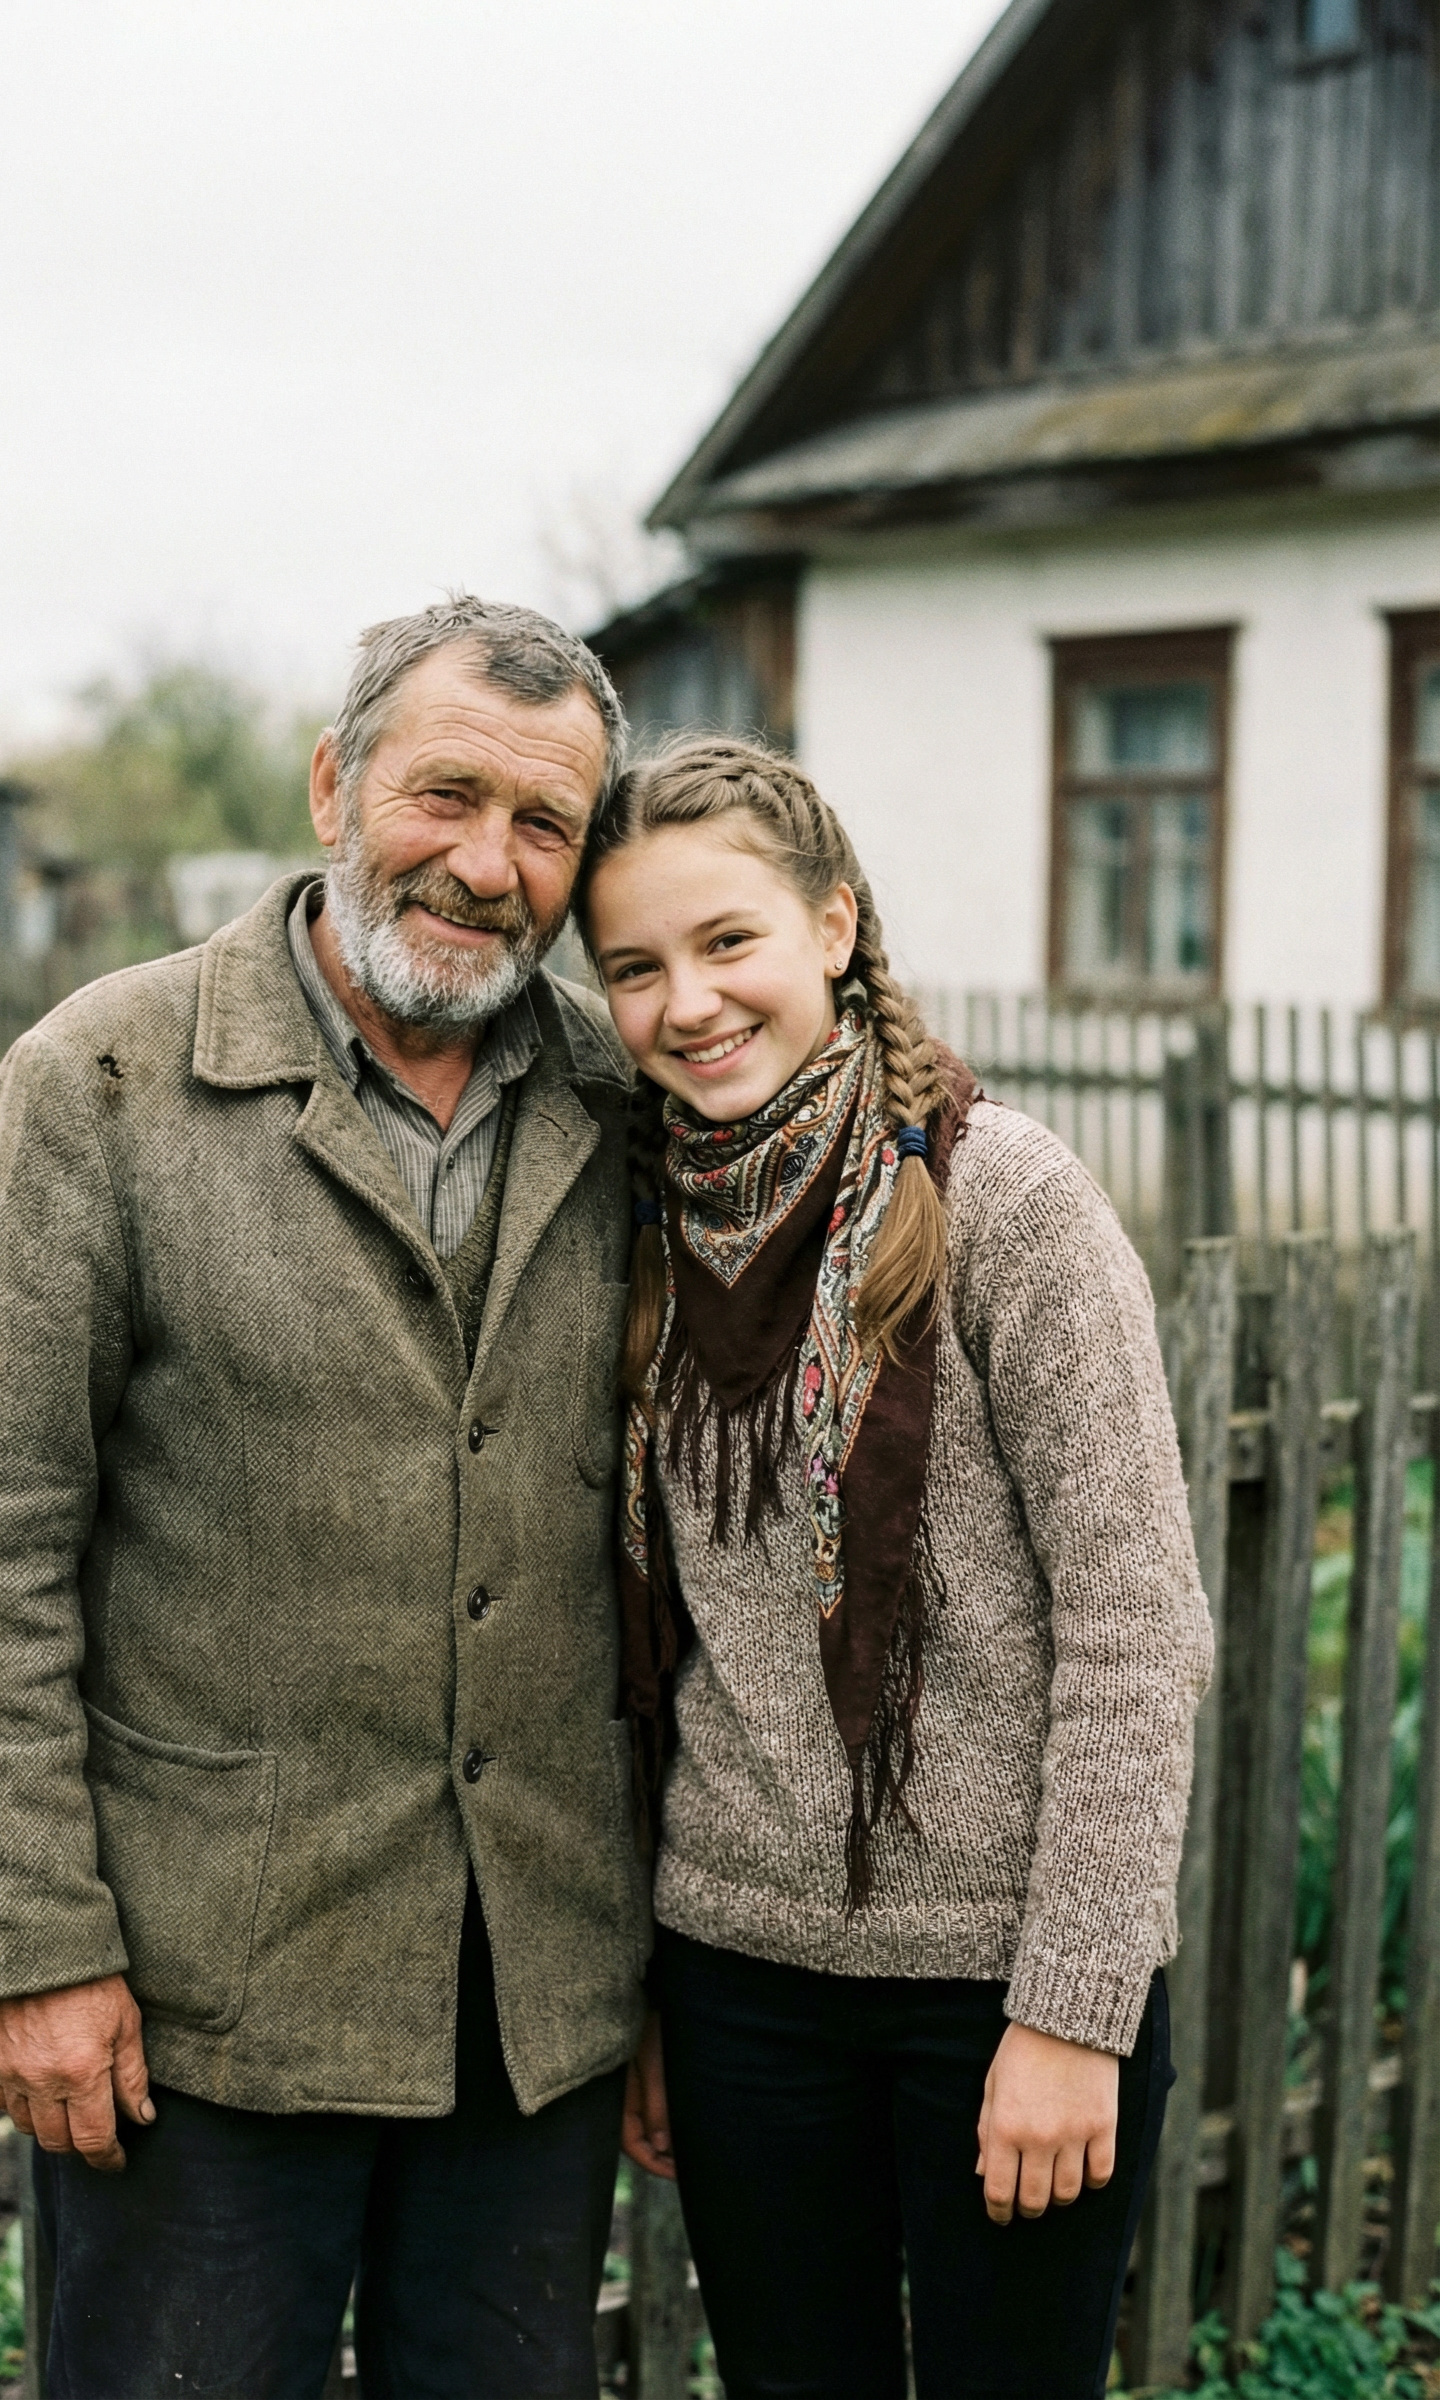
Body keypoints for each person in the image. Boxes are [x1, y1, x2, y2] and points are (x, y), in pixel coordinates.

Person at [0, 596, 651, 2400]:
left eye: (544, 825)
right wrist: (34, 1954)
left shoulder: (621, 1104)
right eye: (444, 794)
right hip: (200, 2001)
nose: (486, 864)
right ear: (334, 782)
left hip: (523, 2003)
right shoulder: (103, 1083)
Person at [578, 736, 1212, 2400]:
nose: (688, 1004)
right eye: (633, 968)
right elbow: (655, 1657)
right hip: (739, 1982)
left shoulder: (1006, 1201)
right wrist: (659, 1990)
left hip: (997, 1983)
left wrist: (1075, 2014)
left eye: (729, 943)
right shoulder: (635, 1221)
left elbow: (1138, 1631)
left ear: (835, 926)